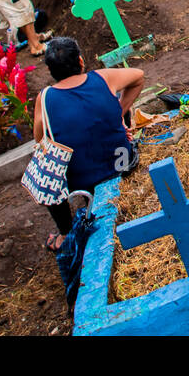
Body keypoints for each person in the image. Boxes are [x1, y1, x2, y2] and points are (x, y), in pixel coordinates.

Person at [34, 37, 144, 240]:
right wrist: (117, 114)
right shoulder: (103, 78)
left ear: (51, 72)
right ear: (81, 61)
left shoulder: (46, 97)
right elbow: (139, 76)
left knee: (46, 167)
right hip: (122, 163)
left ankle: (65, 233)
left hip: (82, 183)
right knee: (116, 106)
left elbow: (40, 139)